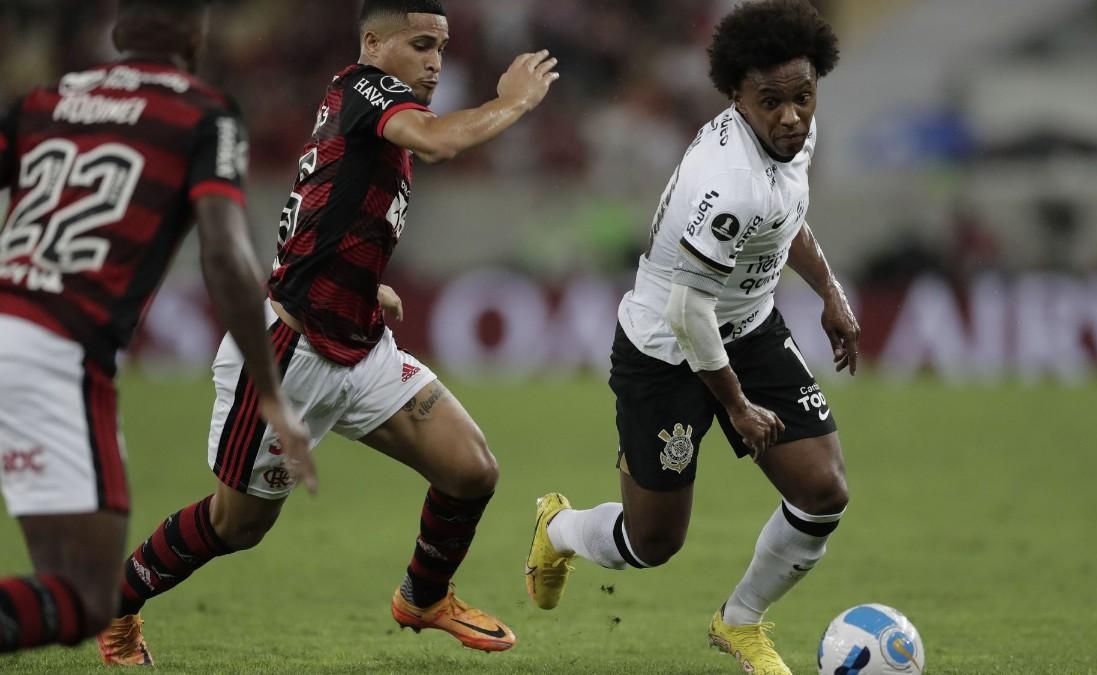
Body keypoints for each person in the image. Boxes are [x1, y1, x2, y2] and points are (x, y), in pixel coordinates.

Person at [96, 0, 559, 665]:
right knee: (237, 525)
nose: (434, 61)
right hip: (291, 354)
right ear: (374, 42)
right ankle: (116, 603)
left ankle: (423, 596)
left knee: (470, 468)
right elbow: (441, 142)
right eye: (421, 44)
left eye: (442, 48)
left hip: (360, 340)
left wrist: (366, 279)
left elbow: (323, 205)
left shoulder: (364, 106)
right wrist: (512, 101)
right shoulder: (368, 89)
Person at [525, 2, 856, 673]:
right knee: (652, 541)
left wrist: (830, 290)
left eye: (803, 97)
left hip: (750, 325)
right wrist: (735, 406)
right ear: (736, 95)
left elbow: (787, 216)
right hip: (666, 348)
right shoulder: (726, 184)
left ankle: (741, 622)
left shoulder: (794, 137)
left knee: (823, 490)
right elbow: (686, 310)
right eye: (772, 102)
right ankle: (557, 527)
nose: (791, 116)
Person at [0, 0, 311, 656]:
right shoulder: (203, 114)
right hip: (59, 352)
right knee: (86, 597)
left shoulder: (42, 100)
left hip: (12, 321)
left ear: (116, 30)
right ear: (197, 35)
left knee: (61, 579)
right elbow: (224, 253)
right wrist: (271, 390)